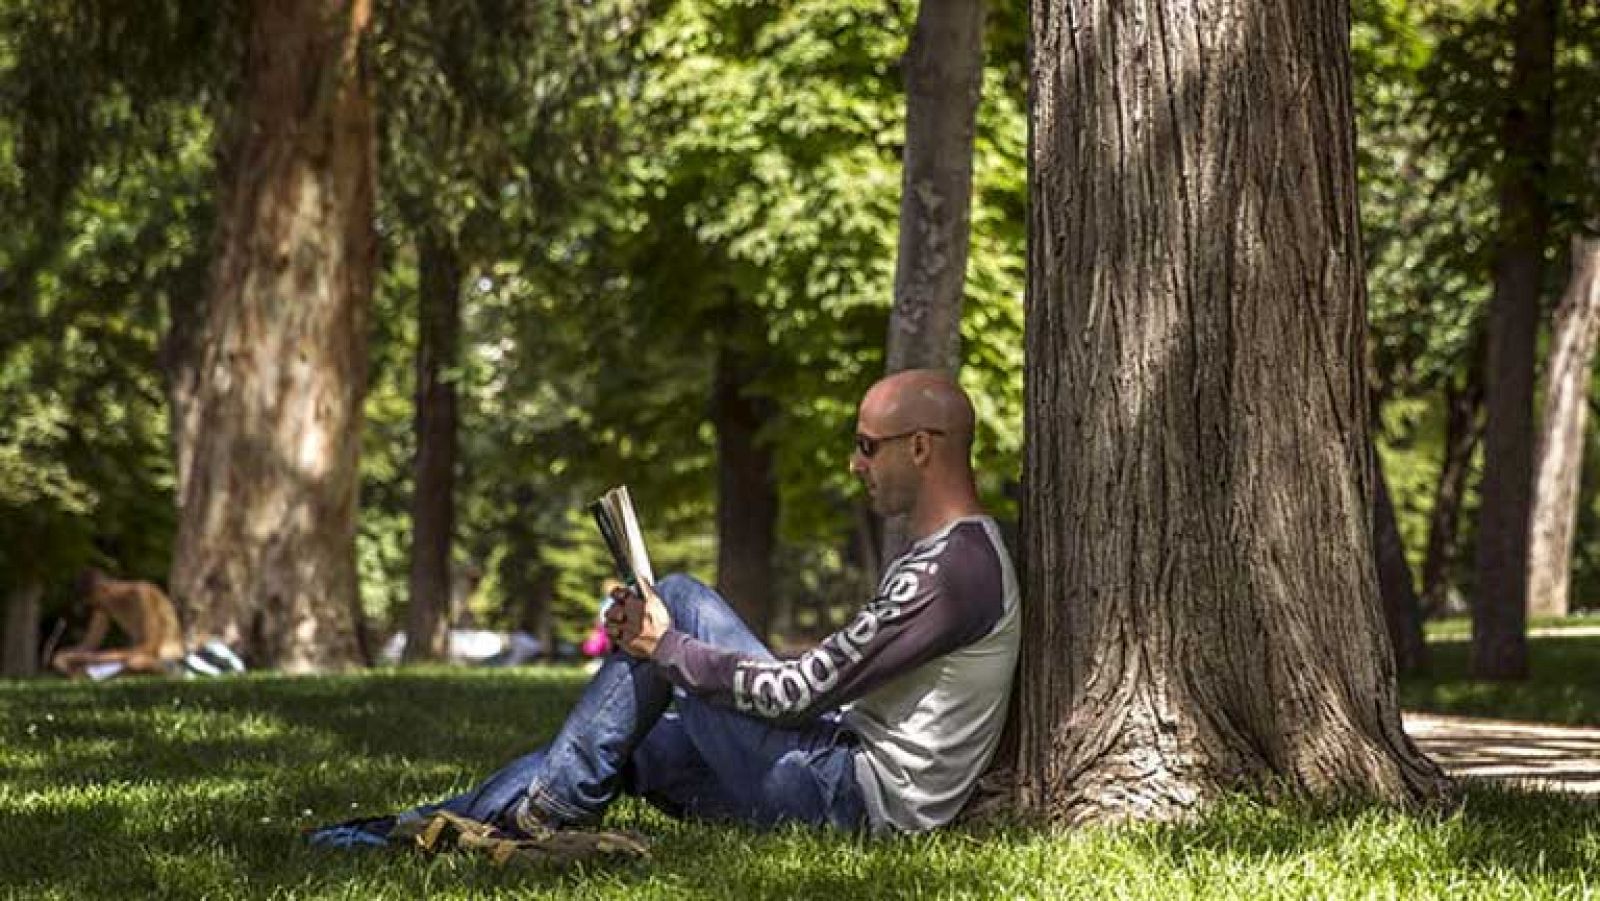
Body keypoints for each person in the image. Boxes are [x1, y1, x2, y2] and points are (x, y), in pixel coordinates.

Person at [311, 369, 1020, 850]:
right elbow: (816, 684)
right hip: (836, 769)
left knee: (676, 598)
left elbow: (798, 691)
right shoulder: (946, 558)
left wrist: (666, 645)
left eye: (867, 445)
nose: (854, 463)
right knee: (639, 743)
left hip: (853, 804)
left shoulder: (953, 570)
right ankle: (429, 825)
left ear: (921, 447)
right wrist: (662, 651)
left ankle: (545, 817)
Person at [51, 569, 186, 678]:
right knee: (80, 671)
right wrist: (67, 656)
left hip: (167, 658)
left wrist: (93, 659)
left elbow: (150, 648)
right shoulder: (104, 607)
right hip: (132, 659)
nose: (96, 609)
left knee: (138, 664)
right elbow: (89, 645)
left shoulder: (141, 594)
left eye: (96, 603)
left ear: (104, 590)